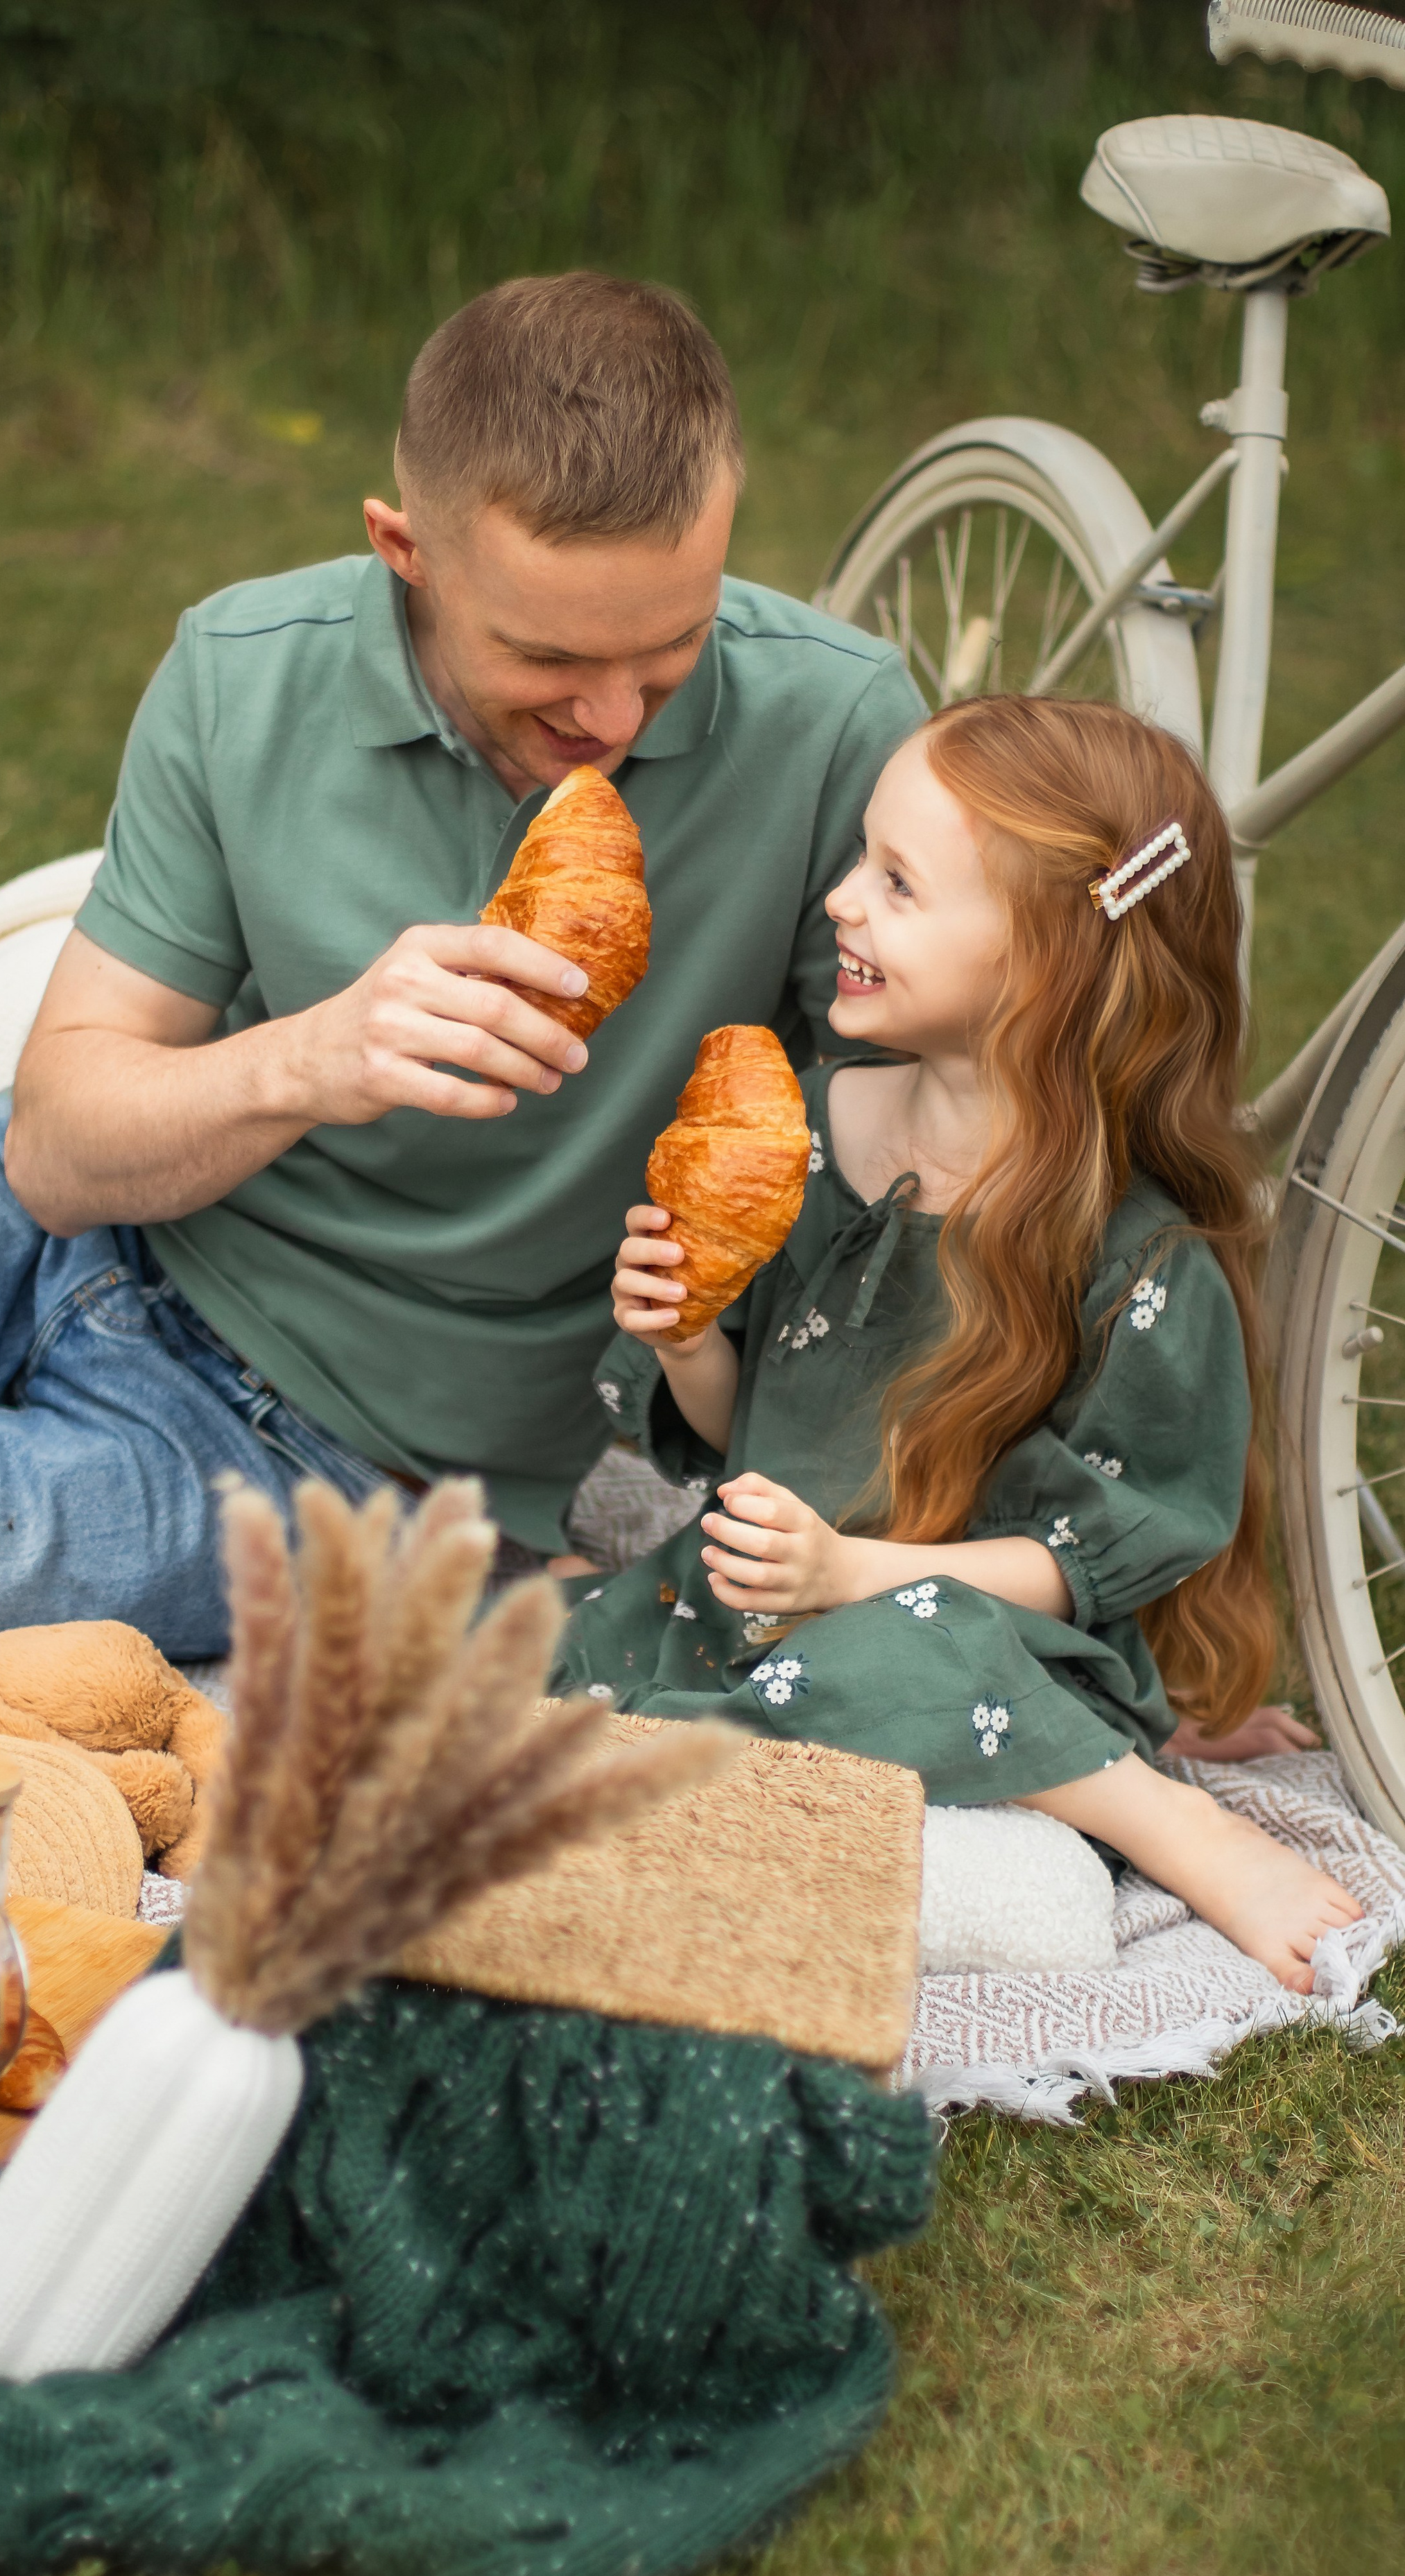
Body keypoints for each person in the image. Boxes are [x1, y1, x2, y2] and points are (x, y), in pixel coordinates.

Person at [0, 273, 922, 1650]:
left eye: (670, 648)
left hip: (325, 1462)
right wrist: (319, 1057)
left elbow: (936, 1164)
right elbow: (54, 1155)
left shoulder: (836, 731)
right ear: (403, 549)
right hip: (54, 1229)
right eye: (543, 655)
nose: (610, 714)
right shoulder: (244, 669)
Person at [553, 695, 1359, 1993]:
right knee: (555, 1668)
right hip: (775, 1608)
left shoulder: (1136, 1259)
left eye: (898, 882)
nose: (840, 901)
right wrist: (689, 1333)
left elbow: (1082, 1560)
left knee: (903, 1648)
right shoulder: (817, 1134)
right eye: (861, 858)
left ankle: (1171, 1823)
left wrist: (854, 1575)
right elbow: (748, 1434)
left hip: (987, 1641)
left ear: (1046, 958)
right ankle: (723, 1795)